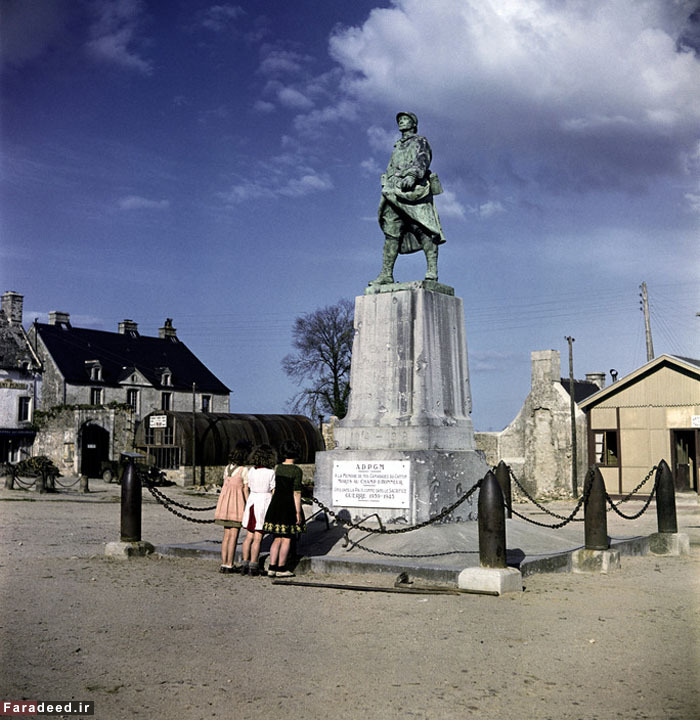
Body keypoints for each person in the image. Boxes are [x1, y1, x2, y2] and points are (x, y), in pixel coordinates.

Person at [370, 111, 446, 286]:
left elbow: (423, 159)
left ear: (413, 124)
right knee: (391, 233)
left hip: (414, 191)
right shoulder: (397, 146)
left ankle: (432, 271)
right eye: (400, 120)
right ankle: (386, 274)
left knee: (424, 229)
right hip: (392, 192)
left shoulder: (420, 141)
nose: (401, 122)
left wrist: (412, 175)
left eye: (405, 120)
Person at [263, 439, 306, 578]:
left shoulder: (278, 468)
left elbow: (274, 489)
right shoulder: (296, 471)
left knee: (276, 538)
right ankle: (281, 567)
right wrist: (298, 512)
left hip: (276, 504)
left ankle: (272, 567)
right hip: (289, 505)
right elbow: (297, 492)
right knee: (286, 538)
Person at [213, 440, 252, 574]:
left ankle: (224, 563)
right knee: (234, 536)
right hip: (237, 506)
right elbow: (245, 490)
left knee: (226, 536)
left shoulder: (227, 468)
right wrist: (248, 505)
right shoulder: (244, 470)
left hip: (225, 505)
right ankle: (230, 563)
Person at [239, 444, 276, 576]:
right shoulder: (270, 472)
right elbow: (273, 490)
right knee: (258, 537)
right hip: (263, 502)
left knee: (249, 536)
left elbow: (247, 487)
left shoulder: (251, 471)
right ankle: (254, 564)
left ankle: (244, 562)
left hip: (252, 502)